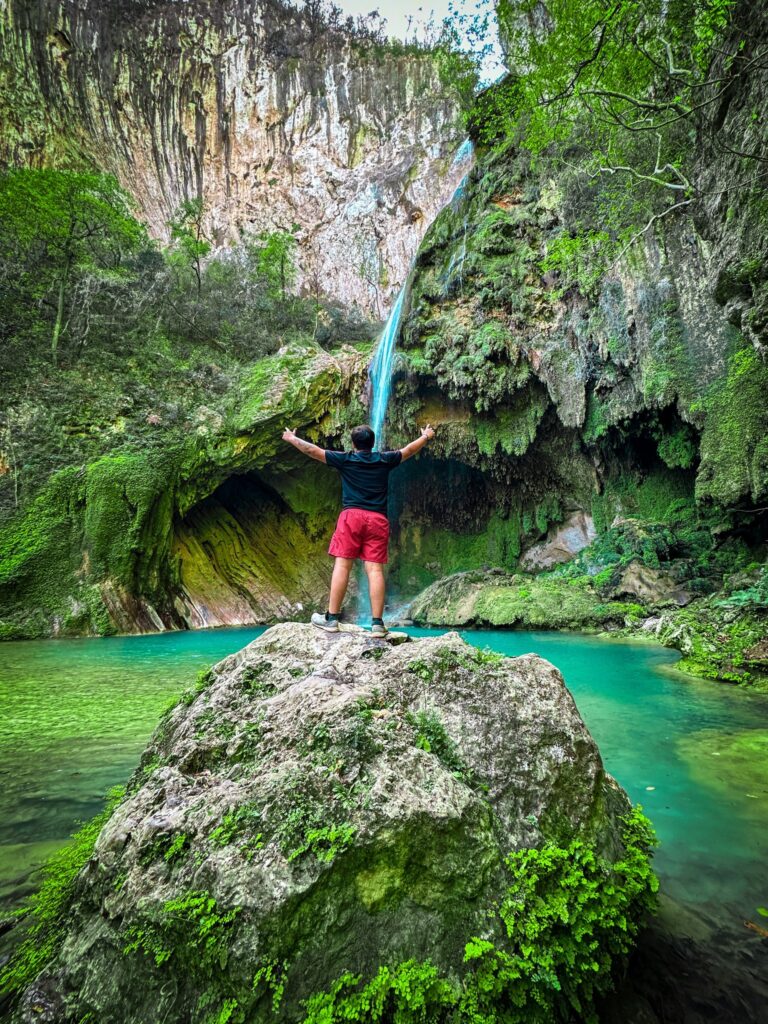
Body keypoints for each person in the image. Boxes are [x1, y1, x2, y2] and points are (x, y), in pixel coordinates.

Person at [281, 422, 435, 636]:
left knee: (343, 566)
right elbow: (408, 450)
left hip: (351, 517)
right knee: (374, 570)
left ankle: (332, 619)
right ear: (372, 444)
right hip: (377, 519)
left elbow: (312, 451)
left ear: (353, 444)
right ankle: (378, 624)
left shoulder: (345, 459)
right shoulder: (384, 459)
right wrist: (426, 436)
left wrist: (291, 438)